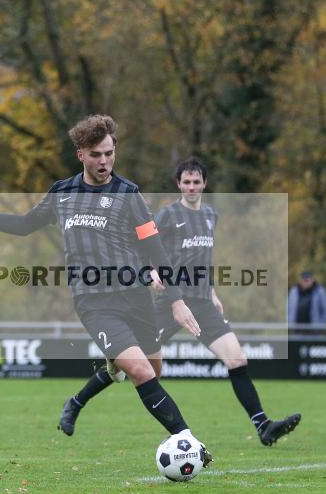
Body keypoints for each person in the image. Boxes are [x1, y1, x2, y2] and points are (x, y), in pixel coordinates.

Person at [0, 114, 211, 458]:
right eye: (96, 154)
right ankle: (189, 443)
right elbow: (23, 225)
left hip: (135, 295)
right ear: (81, 154)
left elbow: (154, 249)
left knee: (153, 369)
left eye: (109, 153)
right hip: (94, 301)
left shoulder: (129, 195)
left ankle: (93, 385)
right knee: (140, 371)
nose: (104, 161)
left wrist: (176, 300)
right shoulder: (62, 194)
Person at [56, 157, 301, 445]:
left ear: (204, 184)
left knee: (237, 359)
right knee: (134, 364)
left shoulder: (211, 215)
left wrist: (211, 291)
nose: (192, 186)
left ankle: (263, 426)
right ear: (179, 184)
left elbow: (203, 259)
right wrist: (150, 271)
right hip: (169, 303)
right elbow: (143, 245)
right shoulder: (168, 215)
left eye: (197, 181)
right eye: (186, 181)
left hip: (202, 302)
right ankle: (76, 403)